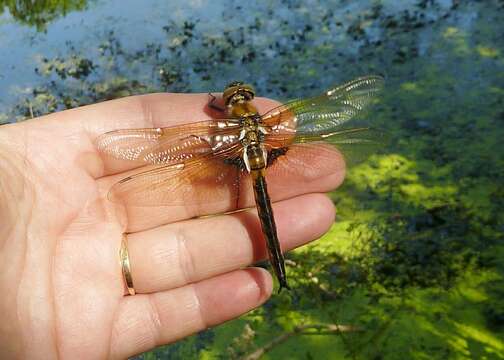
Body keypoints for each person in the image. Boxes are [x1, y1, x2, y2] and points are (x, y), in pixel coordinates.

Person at [0, 92, 344, 359]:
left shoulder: (225, 128)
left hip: (239, 160)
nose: (238, 100)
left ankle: (278, 272)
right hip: (253, 160)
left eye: (237, 99)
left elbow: (175, 141)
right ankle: (280, 271)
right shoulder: (261, 122)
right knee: (264, 201)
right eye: (237, 98)